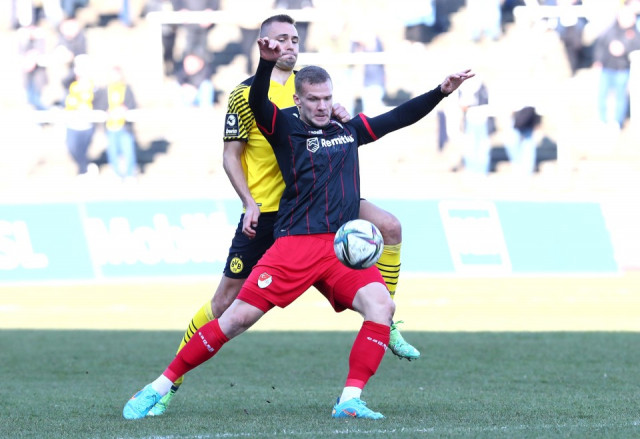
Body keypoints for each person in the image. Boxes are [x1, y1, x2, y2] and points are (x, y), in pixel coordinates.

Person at [122, 25, 473, 421]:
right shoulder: (286, 130)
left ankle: (349, 400)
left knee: (381, 305)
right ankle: (160, 386)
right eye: (314, 99)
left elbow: (397, 117)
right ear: (297, 100)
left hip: (338, 248)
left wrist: (442, 91)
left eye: (327, 98)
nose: (322, 106)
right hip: (295, 245)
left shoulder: (348, 129)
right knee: (234, 318)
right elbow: (258, 102)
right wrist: (265, 63)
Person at [593, 3, 640, 130]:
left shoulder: (634, 33)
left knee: (620, 97)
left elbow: (636, 46)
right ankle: (602, 120)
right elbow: (600, 45)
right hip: (607, 68)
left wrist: (623, 48)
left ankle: (617, 122)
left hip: (622, 69)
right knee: (602, 95)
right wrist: (598, 60)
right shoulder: (610, 30)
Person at [93, 65, 138, 180]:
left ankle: (130, 175)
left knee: (128, 151)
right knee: (113, 152)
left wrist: (124, 109)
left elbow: (132, 105)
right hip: (110, 126)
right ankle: (117, 174)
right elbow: (99, 105)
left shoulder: (127, 89)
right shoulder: (105, 90)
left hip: (124, 126)